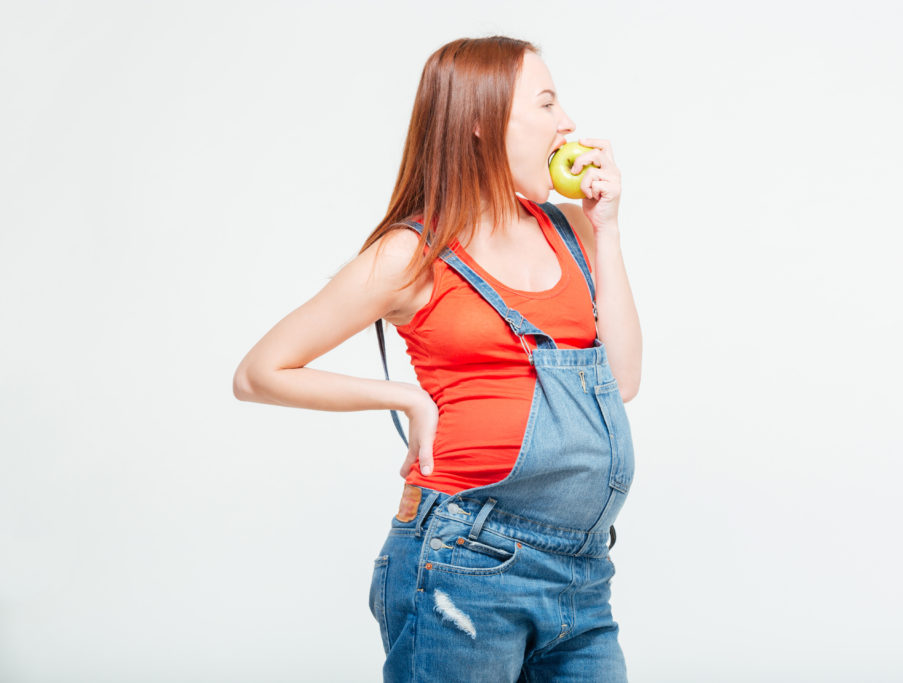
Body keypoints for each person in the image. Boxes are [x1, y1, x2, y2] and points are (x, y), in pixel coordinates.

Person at [233, 35, 641, 682]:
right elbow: (259, 372)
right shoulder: (411, 254)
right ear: (480, 120)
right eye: (545, 103)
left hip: (583, 572)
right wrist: (405, 397)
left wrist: (608, 228)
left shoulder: (572, 231)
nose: (566, 122)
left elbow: (622, 380)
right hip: (465, 561)